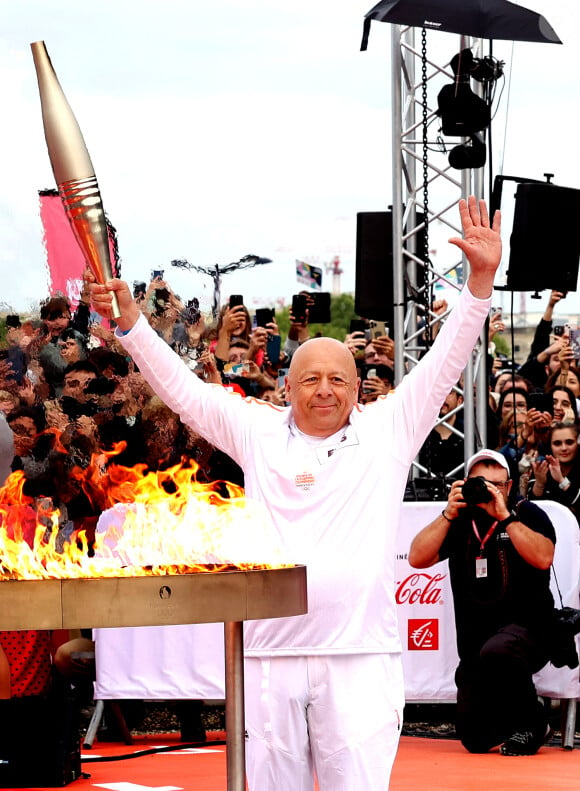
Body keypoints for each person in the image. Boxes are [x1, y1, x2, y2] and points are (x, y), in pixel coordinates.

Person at [87, 196, 501, 791]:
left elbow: (445, 360)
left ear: (359, 388)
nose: (325, 390)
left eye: (339, 379)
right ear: (287, 386)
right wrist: (131, 324)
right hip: (268, 657)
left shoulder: (389, 429)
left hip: (360, 658)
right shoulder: (257, 432)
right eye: (311, 378)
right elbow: (182, 392)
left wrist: (480, 283)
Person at [409, 449, 555, 756]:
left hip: (532, 631)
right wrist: (448, 512)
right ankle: (513, 720)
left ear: (510, 486)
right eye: (481, 483)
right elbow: (416, 558)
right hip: (477, 644)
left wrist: (506, 517)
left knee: (500, 650)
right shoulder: (459, 521)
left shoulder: (527, 514)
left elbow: (543, 557)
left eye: (497, 484)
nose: (490, 490)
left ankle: (534, 721)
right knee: (474, 740)